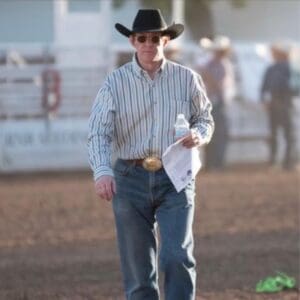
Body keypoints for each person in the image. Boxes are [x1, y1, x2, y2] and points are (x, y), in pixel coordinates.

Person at [87, 9, 214, 300]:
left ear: (166, 40)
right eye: (142, 38)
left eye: (155, 38)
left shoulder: (187, 79)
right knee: (138, 270)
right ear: (132, 41)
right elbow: (99, 131)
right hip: (129, 177)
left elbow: (205, 118)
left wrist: (200, 134)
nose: (148, 44)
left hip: (176, 174)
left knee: (176, 255)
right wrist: (103, 171)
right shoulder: (114, 83)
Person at [198, 36, 236, 171]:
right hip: (214, 102)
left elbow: (217, 85)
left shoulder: (218, 65)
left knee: (217, 133)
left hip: (217, 102)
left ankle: (215, 163)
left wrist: (206, 75)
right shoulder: (217, 64)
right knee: (215, 133)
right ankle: (213, 163)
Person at [260, 41, 297, 170]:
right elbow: (264, 88)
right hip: (279, 103)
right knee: (280, 134)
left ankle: (285, 163)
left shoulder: (288, 68)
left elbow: (264, 88)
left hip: (283, 102)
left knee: (285, 134)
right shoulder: (275, 68)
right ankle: (278, 162)